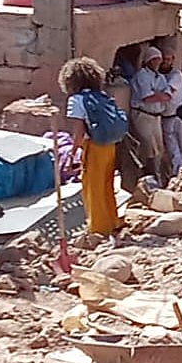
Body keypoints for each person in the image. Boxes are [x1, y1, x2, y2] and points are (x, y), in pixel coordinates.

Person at [60, 56, 123, 236]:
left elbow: (79, 131)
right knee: (107, 183)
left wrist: (72, 154)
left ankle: (98, 228)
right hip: (110, 145)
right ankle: (113, 221)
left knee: (92, 186)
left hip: (93, 145)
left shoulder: (77, 100)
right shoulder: (101, 96)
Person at [129, 45, 171, 183]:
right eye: (155, 59)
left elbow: (168, 95)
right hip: (143, 115)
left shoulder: (160, 77)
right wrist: (159, 95)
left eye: (159, 59)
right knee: (147, 147)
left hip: (156, 116)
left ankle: (159, 177)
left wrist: (157, 95)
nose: (158, 62)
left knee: (159, 148)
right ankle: (147, 179)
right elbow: (147, 97)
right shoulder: (142, 75)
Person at [159, 49, 182, 174]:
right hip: (167, 118)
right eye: (163, 59)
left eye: (168, 59)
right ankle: (177, 176)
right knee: (173, 152)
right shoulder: (157, 77)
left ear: (172, 60)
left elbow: (168, 94)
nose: (165, 62)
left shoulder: (176, 75)